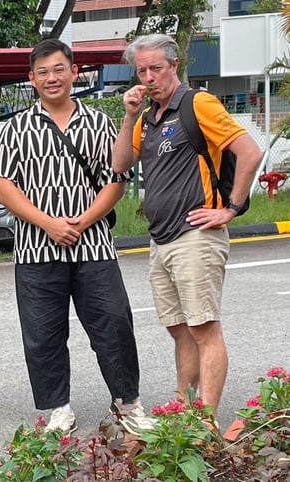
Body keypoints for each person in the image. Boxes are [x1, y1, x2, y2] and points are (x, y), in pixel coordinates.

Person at [0, 38, 151, 435]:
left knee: (114, 323)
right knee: (43, 334)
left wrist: (81, 222)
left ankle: (127, 403)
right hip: (35, 248)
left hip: (94, 244)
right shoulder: (15, 127)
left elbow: (116, 180)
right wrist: (49, 223)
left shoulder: (98, 122)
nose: (51, 77)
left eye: (59, 68)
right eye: (42, 71)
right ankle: (57, 407)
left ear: (74, 72)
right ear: (31, 79)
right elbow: (4, 186)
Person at [112, 34, 263, 418]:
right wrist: (130, 114)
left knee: (204, 329)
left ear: (173, 66)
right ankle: (183, 410)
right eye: (142, 70)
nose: (148, 78)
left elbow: (250, 152)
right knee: (180, 329)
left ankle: (205, 421)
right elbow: (120, 165)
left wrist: (231, 208)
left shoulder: (198, 104)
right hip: (161, 240)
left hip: (196, 236)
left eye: (156, 69)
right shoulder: (148, 118)